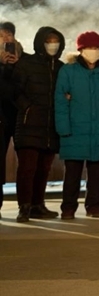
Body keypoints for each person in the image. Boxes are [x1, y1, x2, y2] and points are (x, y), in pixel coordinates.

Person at [54, 31, 99, 219]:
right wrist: (63, 128)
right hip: (75, 130)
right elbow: (60, 101)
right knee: (72, 173)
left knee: (96, 173)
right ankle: (68, 207)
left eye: (97, 48)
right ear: (80, 49)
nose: (93, 51)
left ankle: (94, 205)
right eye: (89, 47)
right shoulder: (68, 71)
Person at [12, 26, 65, 222]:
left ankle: (37, 204)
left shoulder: (60, 67)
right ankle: (24, 206)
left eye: (55, 41)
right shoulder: (26, 64)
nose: (52, 45)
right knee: (27, 168)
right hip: (29, 123)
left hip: (51, 125)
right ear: (40, 42)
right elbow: (15, 91)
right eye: (48, 41)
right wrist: (27, 108)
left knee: (44, 168)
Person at [0, 20, 21, 213]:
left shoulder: (23, 60)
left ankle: (28, 205)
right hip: (1, 118)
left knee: (26, 161)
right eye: (1, 35)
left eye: (9, 35)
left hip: (19, 116)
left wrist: (15, 67)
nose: (6, 39)